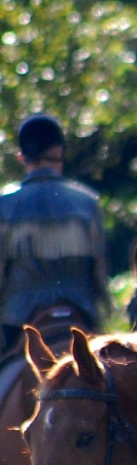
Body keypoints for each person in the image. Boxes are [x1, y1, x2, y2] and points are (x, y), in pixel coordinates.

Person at [0, 113, 111, 352]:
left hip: (19, 319)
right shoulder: (88, 203)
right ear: (59, 151)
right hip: (82, 314)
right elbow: (100, 274)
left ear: (22, 157)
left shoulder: (4, 205)